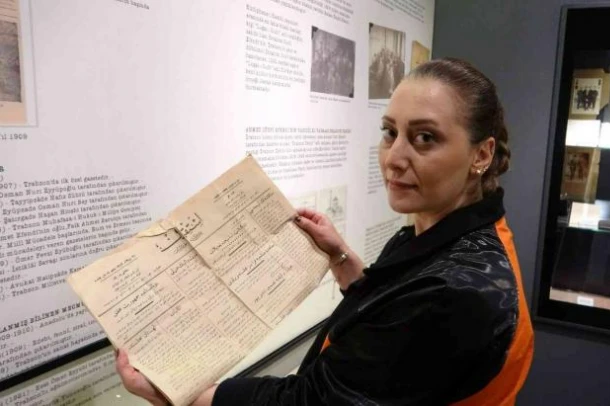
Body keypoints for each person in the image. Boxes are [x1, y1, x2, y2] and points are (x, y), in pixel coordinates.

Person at [116, 57, 534, 405]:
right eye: (390, 132)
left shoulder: (457, 291)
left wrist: (184, 395)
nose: (394, 157)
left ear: (482, 154)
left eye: (425, 138)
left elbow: (315, 401)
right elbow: (396, 310)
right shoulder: (448, 234)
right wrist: (343, 261)